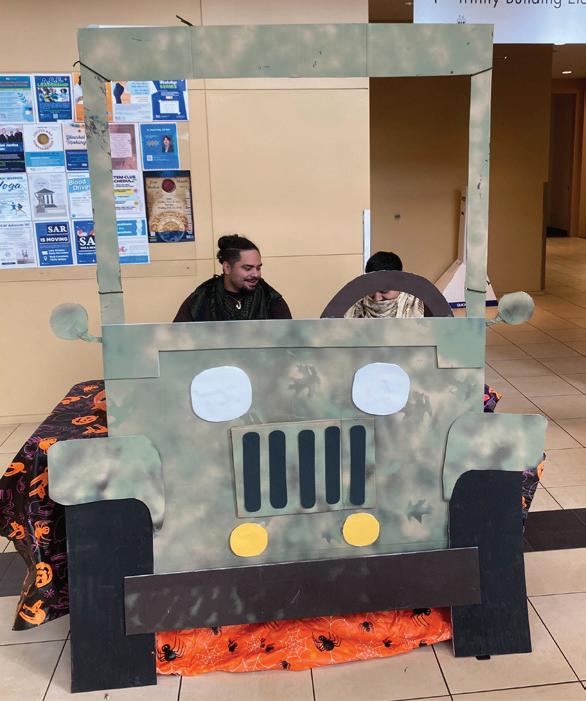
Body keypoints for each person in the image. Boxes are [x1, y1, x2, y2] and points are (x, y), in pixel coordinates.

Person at [174, 234, 292, 322]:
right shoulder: (200, 299)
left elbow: (289, 340)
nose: (256, 274)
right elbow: (177, 339)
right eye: (248, 268)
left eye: (258, 268)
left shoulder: (270, 299)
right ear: (227, 268)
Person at [344, 251, 424, 319]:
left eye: (384, 291)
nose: (376, 298)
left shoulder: (420, 308)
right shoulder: (354, 308)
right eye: (371, 290)